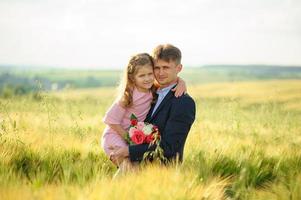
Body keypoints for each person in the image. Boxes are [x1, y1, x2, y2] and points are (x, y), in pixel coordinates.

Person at [110, 44, 196, 165]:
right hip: (135, 163)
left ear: (179, 68)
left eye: (166, 67)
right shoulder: (149, 91)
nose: (160, 73)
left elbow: (169, 147)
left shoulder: (183, 102)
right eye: (157, 68)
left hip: (161, 172)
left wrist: (128, 151)